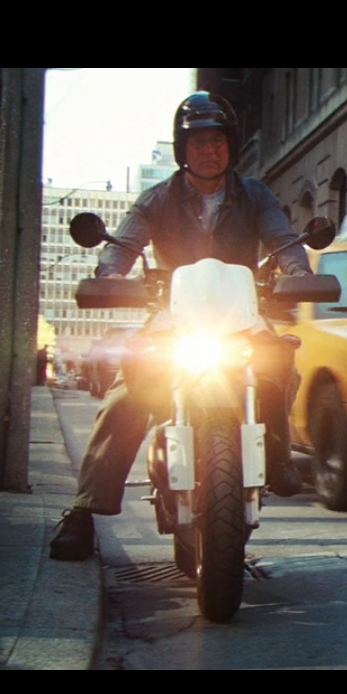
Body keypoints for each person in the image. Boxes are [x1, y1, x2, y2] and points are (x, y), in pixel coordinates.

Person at [49, 92, 315, 562]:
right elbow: (125, 243)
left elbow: (283, 239)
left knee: (280, 364)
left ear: (230, 146)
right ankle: (84, 510)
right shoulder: (158, 197)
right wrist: (110, 275)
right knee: (128, 391)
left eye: (217, 141)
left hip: (240, 316)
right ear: (182, 149)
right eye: (198, 142)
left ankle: (276, 458)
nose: (209, 150)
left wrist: (298, 272)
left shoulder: (255, 195)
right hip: (174, 316)